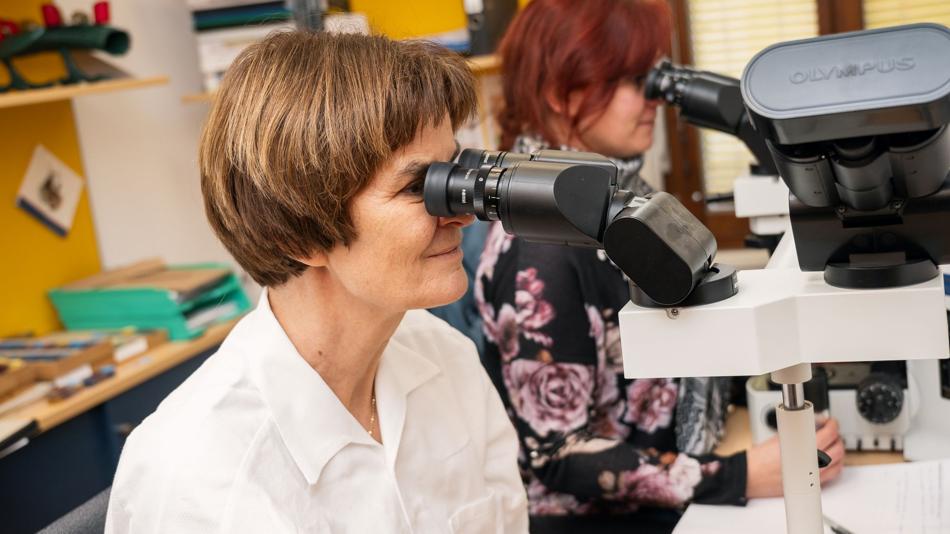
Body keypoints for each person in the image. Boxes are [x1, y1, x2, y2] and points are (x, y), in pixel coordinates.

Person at [105, 31, 528, 533]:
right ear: (299, 232)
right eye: (420, 187)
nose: (461, 214)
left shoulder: (448, 361)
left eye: (454, 174)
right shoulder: (199, 480)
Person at [475, 1, 845, 532]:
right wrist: (737, 475)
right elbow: (559, 452)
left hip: (676, 485)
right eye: (630, 78)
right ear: (562, 92)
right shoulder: (538, 245)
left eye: (652, 76)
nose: (651, 97)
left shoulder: (626, 199)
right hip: (601, 520)